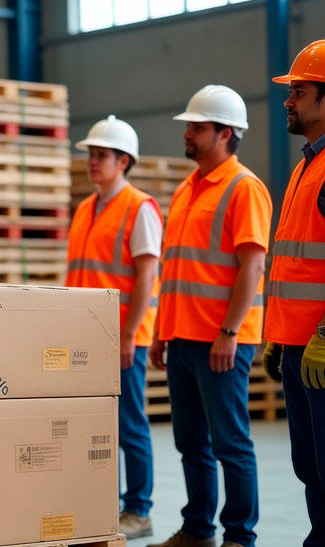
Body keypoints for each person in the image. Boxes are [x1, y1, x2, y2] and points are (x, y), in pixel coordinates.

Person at [148, 85, 271, 547]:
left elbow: (252, 267)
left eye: (197, 127)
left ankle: (240, 536)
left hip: (221, 340)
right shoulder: (185, 190)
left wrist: (230, 333)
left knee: (230, 444)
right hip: (181, 337)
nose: (188, 134)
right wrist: (162, 331)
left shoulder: (245, 188)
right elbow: (174, 269)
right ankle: (198, 529)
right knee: (191, 444)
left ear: (225, 134)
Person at [264, 39, 325, 547]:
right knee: (315, 473)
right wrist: (279, 338)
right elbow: (297, 262)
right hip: (303, 347)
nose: (287, 99)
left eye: (298, 90)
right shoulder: (309, 163)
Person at [65, 115, 161, 539]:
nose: (92, 161)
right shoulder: (86, 208)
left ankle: (138, 510)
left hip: (122, 339)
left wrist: (128, 335)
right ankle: (106, 503)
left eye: (101, 155)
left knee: (130, 424)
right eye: (91, 154)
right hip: (84, 337)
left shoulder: (139, 208)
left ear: (124, 160)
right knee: (94, 425)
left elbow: (146, 277)